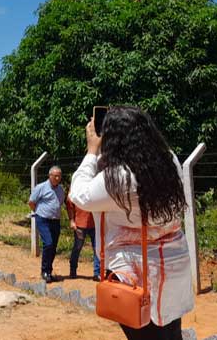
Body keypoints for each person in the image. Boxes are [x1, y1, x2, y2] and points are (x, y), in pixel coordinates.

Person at [70, 106, 192, 340]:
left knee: (143, 334)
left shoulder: (120, 177)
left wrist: (91, 151)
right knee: (170, 333)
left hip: (136, 276)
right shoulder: (169, 159)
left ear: (114, 139)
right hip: (172, 267)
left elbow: (80, 195)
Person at [28, 165, 64, 283]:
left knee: (53, 246)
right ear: (50, 176)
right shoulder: (41, 187)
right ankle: (44, 271)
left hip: (55, 221)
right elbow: (31, 202)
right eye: (55, 176)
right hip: (43, 219)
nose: (57, 178)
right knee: (48, 243)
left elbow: (60, 204)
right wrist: (38, 213)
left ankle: (49, 271)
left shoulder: (60, 189)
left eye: (59, 176)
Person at [65, 191, 100, 280]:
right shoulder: (76, 188)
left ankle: (97, 273)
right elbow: (69, 205)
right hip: (80, 224)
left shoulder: (94, 186)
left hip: (95, 224)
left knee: (97, 248)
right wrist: (72, 220)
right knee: (77, 248)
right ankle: (73, 270)